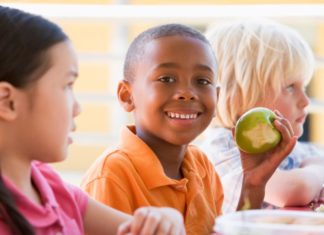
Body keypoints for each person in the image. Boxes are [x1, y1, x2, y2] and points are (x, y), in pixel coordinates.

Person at [81, 23, 296, 234]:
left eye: (202, 81)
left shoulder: (201, 166)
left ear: (217, 97)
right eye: (166, 79)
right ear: (127, 95)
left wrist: (253, 184)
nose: (187, 92)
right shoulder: (112, 175)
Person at [0, 6, 186, 235]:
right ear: (7, 102)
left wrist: (165, 219)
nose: (77, 108)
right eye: (67, 85)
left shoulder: (49, 186)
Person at [199, 19, 324, 213]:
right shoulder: (222, 150)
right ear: (240, 96)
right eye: (290, 87)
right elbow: (294, 190)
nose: (305, 101)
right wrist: (317, 169)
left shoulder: (297, 149)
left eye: (304, 87)